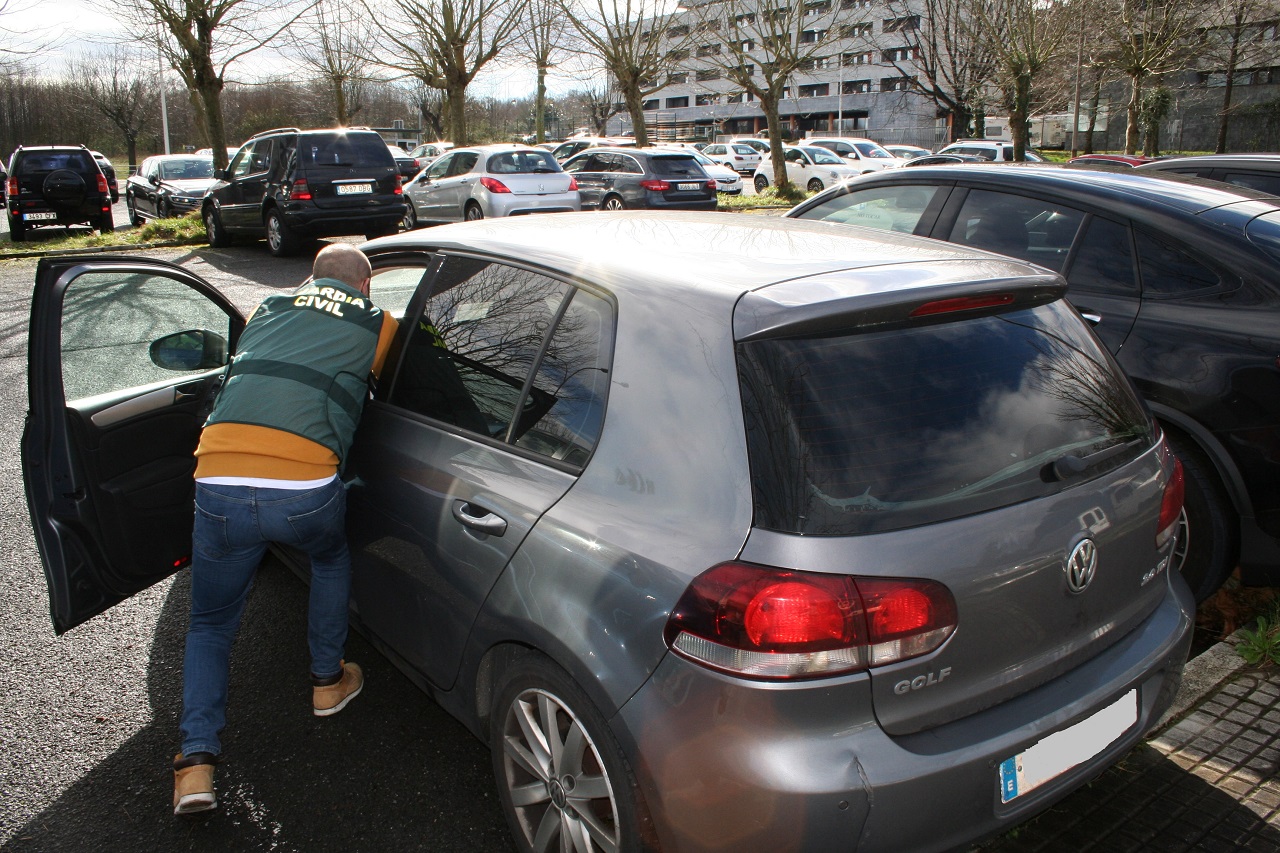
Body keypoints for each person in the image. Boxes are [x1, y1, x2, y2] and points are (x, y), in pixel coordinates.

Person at [172, 243, 398, 816]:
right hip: (303, 489)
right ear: (366, 288)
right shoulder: (379, 323)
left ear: (306, 279)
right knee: (328, 557)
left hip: (217, 475)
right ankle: (327, 680)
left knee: (210, 623)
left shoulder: (268, 309)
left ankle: (195, 766)